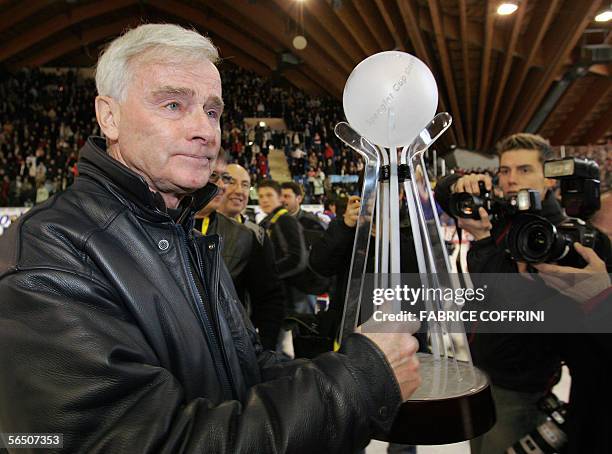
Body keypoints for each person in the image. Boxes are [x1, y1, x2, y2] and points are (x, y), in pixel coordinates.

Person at [0, 24, 422, 453]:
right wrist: (359, 382)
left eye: (213, 111)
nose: (206, 130)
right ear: (109, 116)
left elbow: (242, 371)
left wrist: (352, 368)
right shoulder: (49, 253)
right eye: (172, 104)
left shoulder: (183, 233)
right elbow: (151, 443)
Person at [434, 133, 611, 453]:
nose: (512, 179)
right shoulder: (506, 214)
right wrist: (464, 183)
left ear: (549, 177)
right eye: (504, 170)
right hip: (480, 376)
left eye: (525, 170)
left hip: (519, 389)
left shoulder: (560, 237)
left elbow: (510, 302)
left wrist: (486, 242)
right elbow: (444, 195)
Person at [194, 151, 285, 350]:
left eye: (245, 185)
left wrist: (263, 350)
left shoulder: (250, 236)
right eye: (214, 176)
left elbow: (269, 299)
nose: (224, 186)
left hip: (231, 349)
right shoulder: (170, 225)